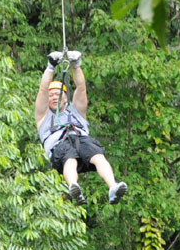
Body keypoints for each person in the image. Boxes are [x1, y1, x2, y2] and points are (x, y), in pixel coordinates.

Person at [35, 49, 128, 205]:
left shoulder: (76, 111)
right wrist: (50, 67)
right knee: (70, 160)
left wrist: (76, 66)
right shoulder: (44, 116)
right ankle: (73, 186)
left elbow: (81, 87)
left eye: (58, 94)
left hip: (81, 139)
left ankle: (112, 186)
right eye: (51, 95)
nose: (54, 97)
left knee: (98, 157)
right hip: (60, 145)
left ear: (65, 97)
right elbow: (43, 90)